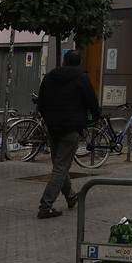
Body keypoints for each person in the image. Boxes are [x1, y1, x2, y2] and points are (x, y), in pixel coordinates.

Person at [35, 49, 99, 219]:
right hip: (71, 128)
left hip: (52, 127)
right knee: (61, 168)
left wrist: (48, 117)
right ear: (78, 63)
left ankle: (71, 196)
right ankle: (45, 205)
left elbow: (40, 102)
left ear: (64, 60)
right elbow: (92, 101)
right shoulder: (81, 78)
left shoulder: (49, 77)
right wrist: (93, 118)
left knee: (58, 165)